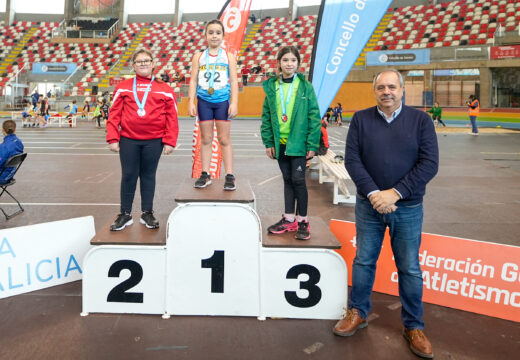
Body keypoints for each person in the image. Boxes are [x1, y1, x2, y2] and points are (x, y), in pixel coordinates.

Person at [334, 69, 439, 360]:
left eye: (392, 86)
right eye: (381, 87)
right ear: (375, 91)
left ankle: (414, 327)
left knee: (409, 268)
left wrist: (395, 193)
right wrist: (374, 195)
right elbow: (353, 161)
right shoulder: (361, 119)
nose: (387, 92)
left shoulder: (421, 121)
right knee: (364, 261)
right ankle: (358, 312)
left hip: (407, 207)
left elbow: (429, 164)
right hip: (369, 206)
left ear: (402, 90)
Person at [106, 47, 179, 231]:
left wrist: (170, 141)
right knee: (128, 175)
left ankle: (147, 213)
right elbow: (114, 114)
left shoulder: (165, 88)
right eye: (139, 61)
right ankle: (125, 214)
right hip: (128, 139)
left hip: (154, 141)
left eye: (146, 60)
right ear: (133, 66)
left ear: (153, 64)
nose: (143, 64)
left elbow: (172, 117)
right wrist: (112, 138)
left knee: (148, 176)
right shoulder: (123, 86)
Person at [260, 46, 321, 240]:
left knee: (298, 180)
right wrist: (269, 142)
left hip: (299, 143)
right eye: (285, 60)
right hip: (281, 143)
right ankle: (289, 218)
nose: (289, 64)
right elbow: (267, 116)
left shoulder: (305, 86)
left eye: (293, 60)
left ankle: (303, 220)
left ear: (298, 63)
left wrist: (312, 144)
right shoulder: (272, 86)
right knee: (287, 180)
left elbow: (314, 116)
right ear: (279, 62)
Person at [188, 19, 238, 191]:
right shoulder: (198, 57)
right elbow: (193, 81)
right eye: (211, 32)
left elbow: (234, 81)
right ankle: (205, 173)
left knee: (224, 139)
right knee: (206, 139)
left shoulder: (229, 57)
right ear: (205, 35)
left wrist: (235, 103)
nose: (214, 36)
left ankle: (230, 175)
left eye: (218, 32)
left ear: (223, 35)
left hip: (222, 102)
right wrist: (190, 101)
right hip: (204, 102)